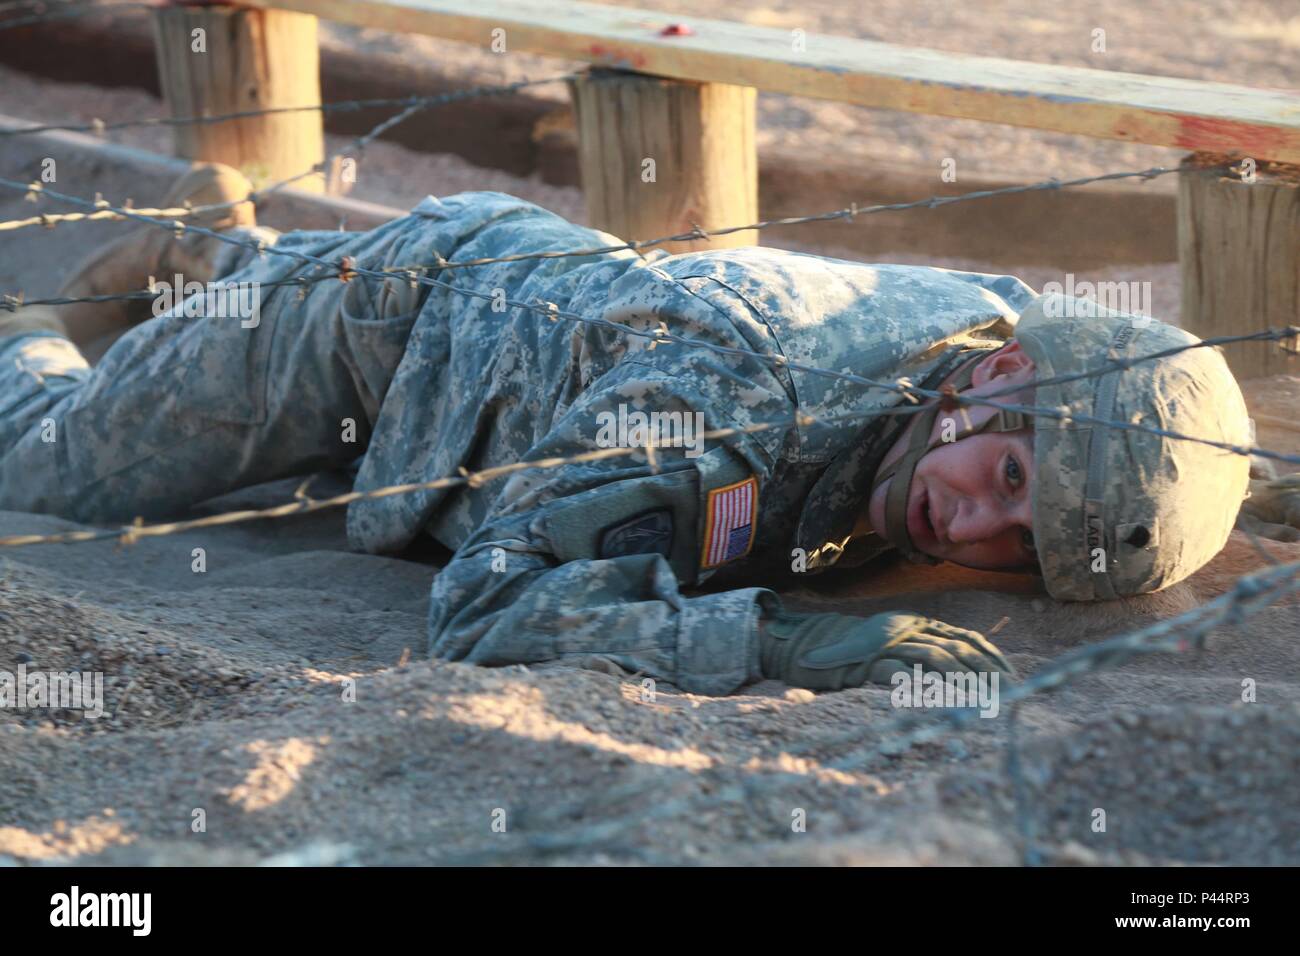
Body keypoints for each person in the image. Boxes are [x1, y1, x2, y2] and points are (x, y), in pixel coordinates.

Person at [0, 163, 1285, 695]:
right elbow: (485, 608)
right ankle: (62, 311)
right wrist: (787, 638)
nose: (980, 522)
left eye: (1031, 540)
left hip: (535, 356)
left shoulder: (1029, 344)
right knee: (54, 465)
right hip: (369, 329)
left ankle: (217, 247)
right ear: (992, 379)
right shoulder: (726, 409)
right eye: (1008, 469)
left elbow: (1156, 419)